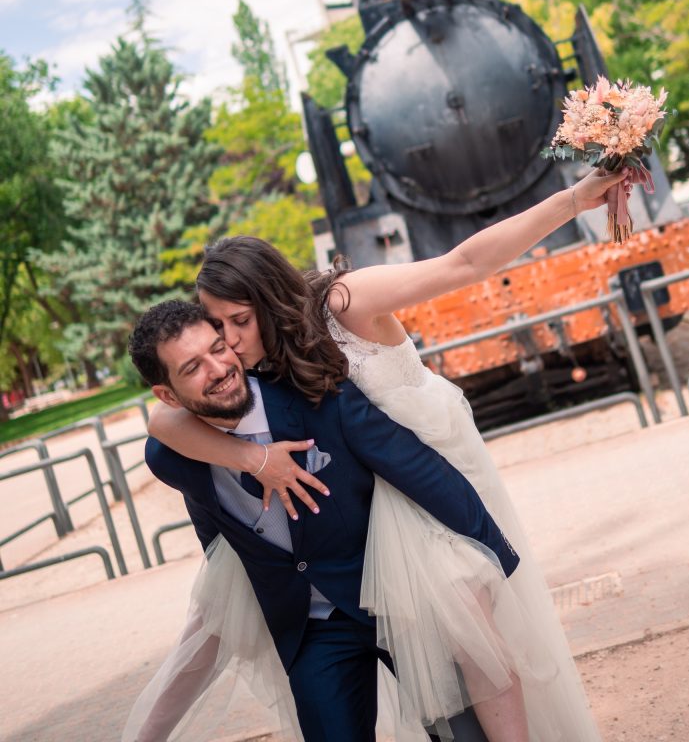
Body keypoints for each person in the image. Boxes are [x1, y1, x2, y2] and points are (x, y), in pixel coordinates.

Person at [128, 167, 623, 741]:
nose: (230, 344)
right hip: (359, 489)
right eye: (218, 327)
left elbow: (463, 265)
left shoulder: (343, 300)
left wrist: (572, 199)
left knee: (471, 625)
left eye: (240, 322)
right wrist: (254, 461)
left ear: (270, 300)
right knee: (228, 619)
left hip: (427, 461)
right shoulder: (247, 369)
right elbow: (163, 421)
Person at [126, 299, 518, 742]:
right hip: (312, 627)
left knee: (464, 734)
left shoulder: (316, 399)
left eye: (219, 348)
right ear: (168, 396)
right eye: (192, 367)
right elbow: (214, 533)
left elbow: (416, 467)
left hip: (393, 596)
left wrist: (495, 555)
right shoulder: (172, 458)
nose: (218, 369)